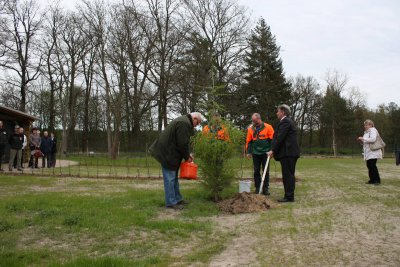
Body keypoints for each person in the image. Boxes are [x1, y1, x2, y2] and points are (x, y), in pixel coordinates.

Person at [149, 112, 202, 210]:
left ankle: (177, 198)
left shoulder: (184, 121)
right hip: (167, 153)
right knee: (170, 178)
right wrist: (187, 157)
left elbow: (181, 142)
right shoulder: (184, 123)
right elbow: (182, 143)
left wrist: (186, 155)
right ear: (194, 118)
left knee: (173, 177)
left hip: (169, 152)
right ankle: (171, 202)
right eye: (198, 123)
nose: (197, 125)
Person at [267, 105, 300, 202]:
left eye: (278, 111)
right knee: (289, 175)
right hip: (288, 153)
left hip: (288, 153)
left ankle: (289, 197)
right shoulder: (287, 122)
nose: (276, 113)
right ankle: (289, 195)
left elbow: (280, 138)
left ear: (283, 112)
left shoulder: (285, 122)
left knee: (288, 175)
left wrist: (273, 150)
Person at [245, 113, 274, 195]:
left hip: (266, 153)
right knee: (256, 171)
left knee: (266, 171)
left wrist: (272, 151)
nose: (253, 122)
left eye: (254, 120)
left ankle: (265, 188)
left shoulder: (268, 127)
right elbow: (249, 141)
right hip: (255, 153)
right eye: (252, 121)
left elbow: (273, 140)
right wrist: (249, 152)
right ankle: (257, 188)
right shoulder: (250, 129)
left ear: (259, 119)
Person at [357, 119, 382, 185]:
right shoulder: (366, 132)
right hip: (369, 152)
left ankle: (377, 180)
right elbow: (366, 141)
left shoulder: (373, 130)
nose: (365, 126)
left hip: (373, 152)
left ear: (370, 125)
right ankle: (372, 180)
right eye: (364, 125)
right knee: (369, 165)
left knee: (372, 165)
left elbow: (373, 139)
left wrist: (363, 138)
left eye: (366, 125)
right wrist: (361, 141)